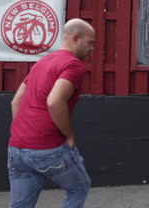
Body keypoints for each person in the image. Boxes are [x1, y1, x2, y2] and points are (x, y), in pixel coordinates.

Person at [7, 18, 95, 208]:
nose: (91, 49)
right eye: (90, 43)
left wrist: (23, 132)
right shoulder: (74, 65)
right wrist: (69, 134)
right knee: (80, 187)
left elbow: (16, 101)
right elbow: (54, 101)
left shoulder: (42, 62)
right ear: (75, 38)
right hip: (48, 147)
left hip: (17, 147)